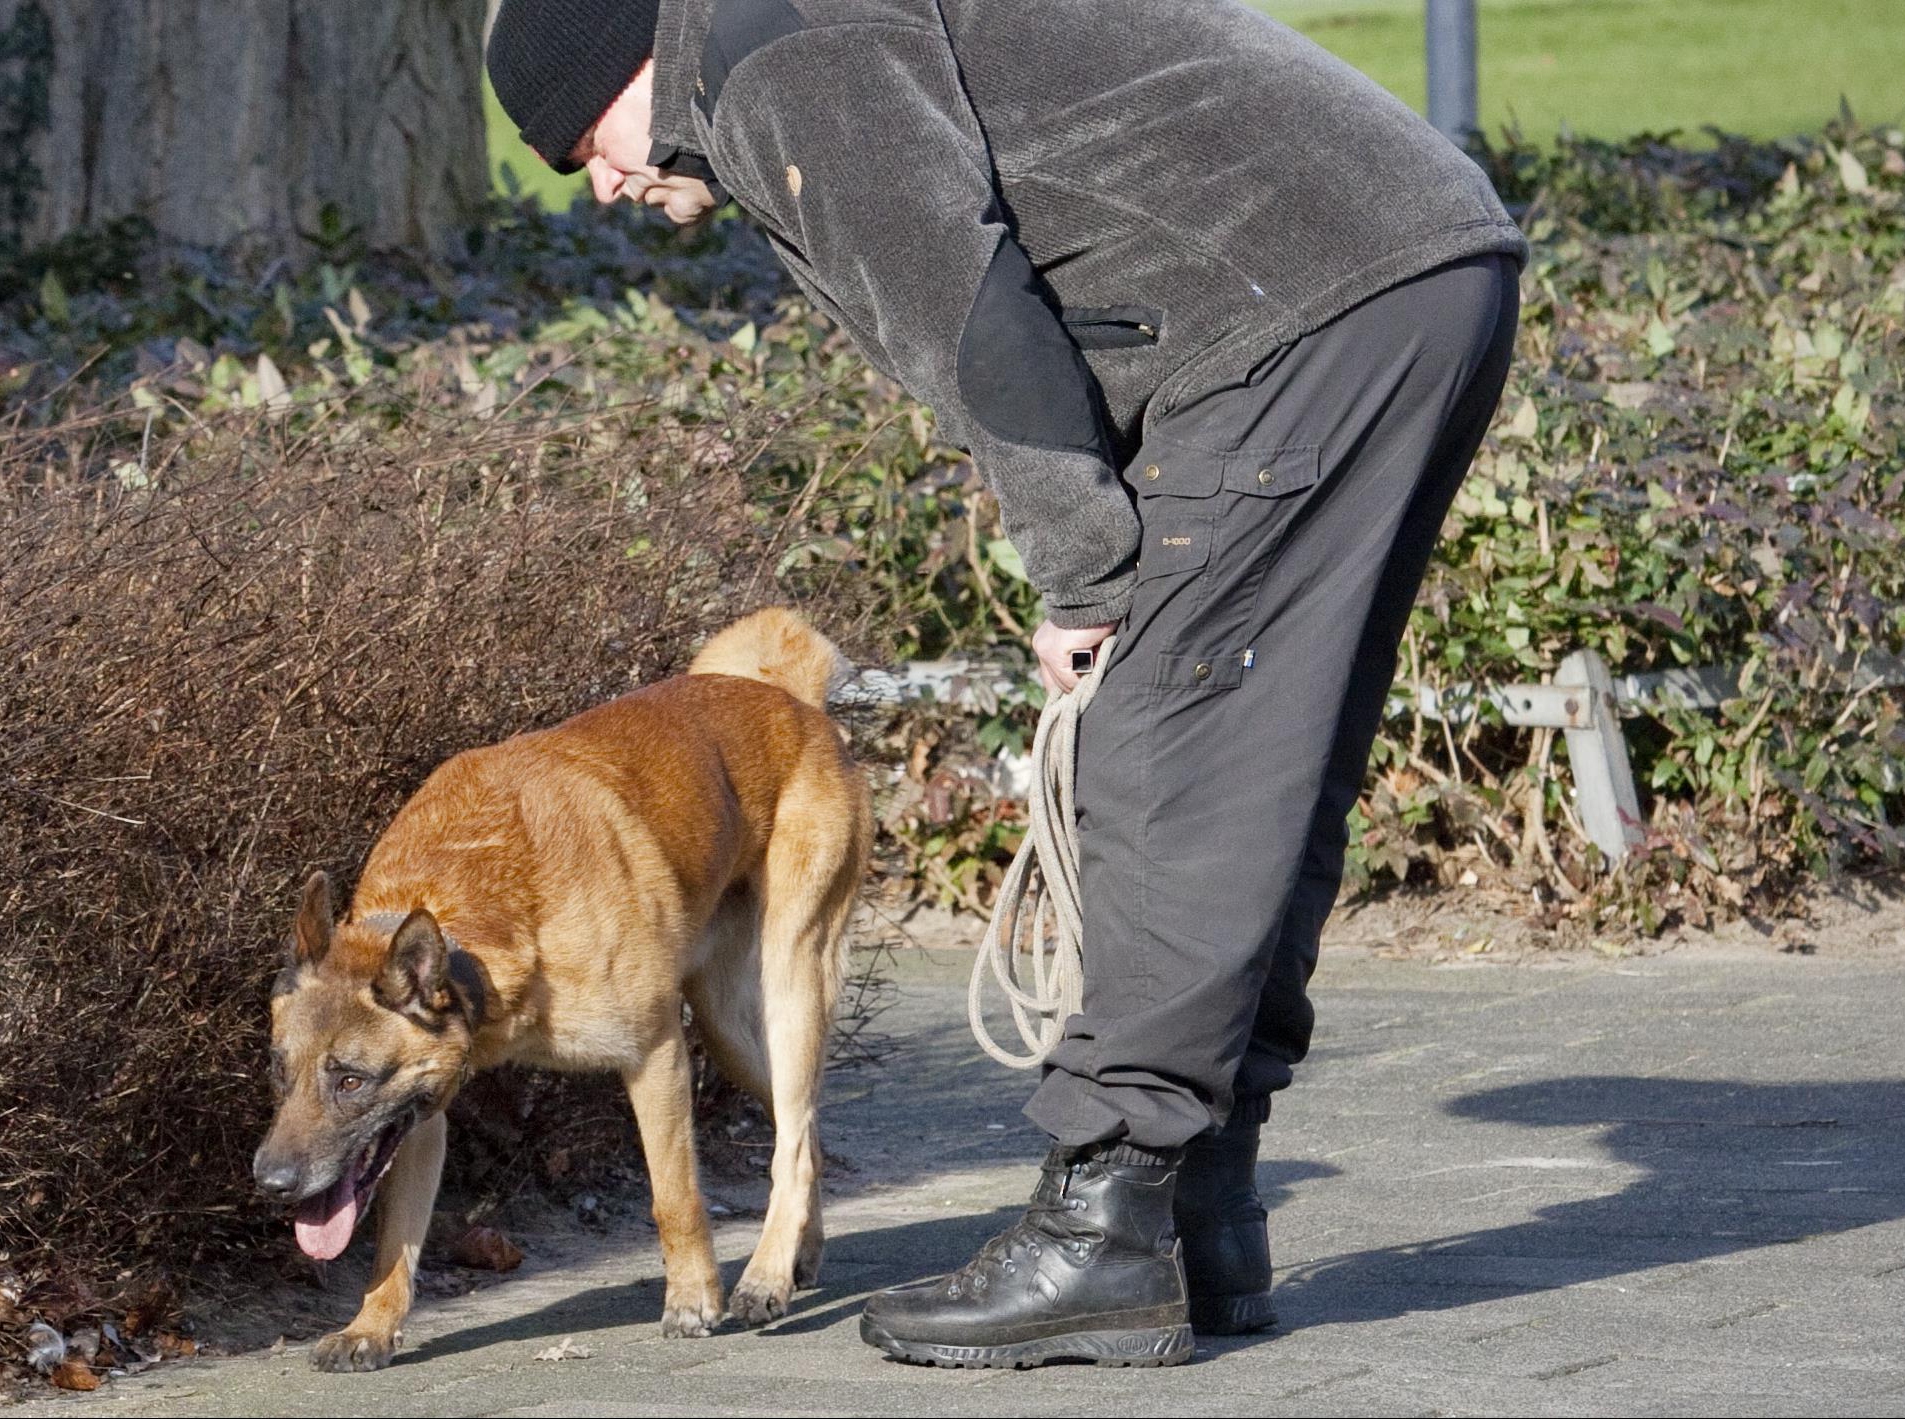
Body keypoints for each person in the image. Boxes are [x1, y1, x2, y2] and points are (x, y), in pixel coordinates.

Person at [488, 0, 1523, 1368]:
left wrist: (1083, 573)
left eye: (587, 142)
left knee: (1168, 769)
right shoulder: (787, 42)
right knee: (1262, 759)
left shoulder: (778, 62)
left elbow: (964, 304)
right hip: (1385, 268)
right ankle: (1198, 1219)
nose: (606, 181)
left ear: (629, 63)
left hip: (1303, 301)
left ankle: (1104, 1228)